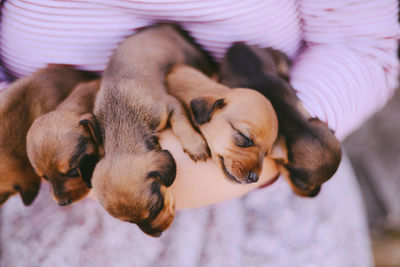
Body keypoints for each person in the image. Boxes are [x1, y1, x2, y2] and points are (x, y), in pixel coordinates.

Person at [0, 0, 398, 266]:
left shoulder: (243, 146)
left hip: (270, 214)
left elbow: (360, 43)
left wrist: (282, 138)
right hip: (46, 195)